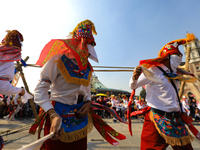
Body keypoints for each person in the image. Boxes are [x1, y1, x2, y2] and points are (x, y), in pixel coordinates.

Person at [33, 20, 98, 150]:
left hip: (80, 117)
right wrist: (52, 115)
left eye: (88, 44)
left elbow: (87, 91)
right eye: (83, 43)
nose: (85, 47)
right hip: (57, 115)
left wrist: (88, 103)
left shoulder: (88, 67)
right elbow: (40, 90)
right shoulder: (57, 59)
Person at [129, 33, 196, 150]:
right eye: (176, 56)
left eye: (180, 56)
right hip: (157, 118)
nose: (179, 59)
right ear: (167, 57)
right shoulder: (152, 70)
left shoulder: (174, 73)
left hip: (175, 119)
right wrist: (134, 77)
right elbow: (133, 86)